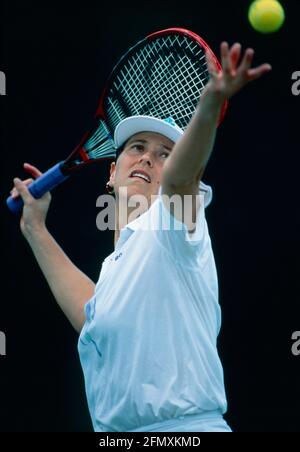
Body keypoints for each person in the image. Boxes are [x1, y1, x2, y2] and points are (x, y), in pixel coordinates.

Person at [10, 42, 271, 432]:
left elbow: (183, 177)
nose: (149, 157)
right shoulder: (118, 265)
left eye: (166, 153)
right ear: (112, 172)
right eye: (137, 147)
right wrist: (34, 228)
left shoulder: (176, 223)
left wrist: (208, 106)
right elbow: (92, 316)